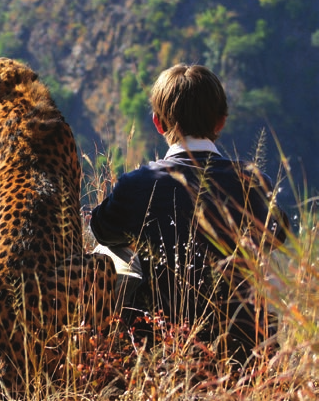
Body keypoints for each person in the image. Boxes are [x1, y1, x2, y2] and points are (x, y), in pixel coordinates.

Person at [90, 64, 288, 361]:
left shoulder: (138, 184)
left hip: (159, 346)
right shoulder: (253, 183)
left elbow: (101, 229)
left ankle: (111, 346)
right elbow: (279, 235)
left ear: (158, 123)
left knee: (107, 248)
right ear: (221, 122)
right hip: (245, 350)